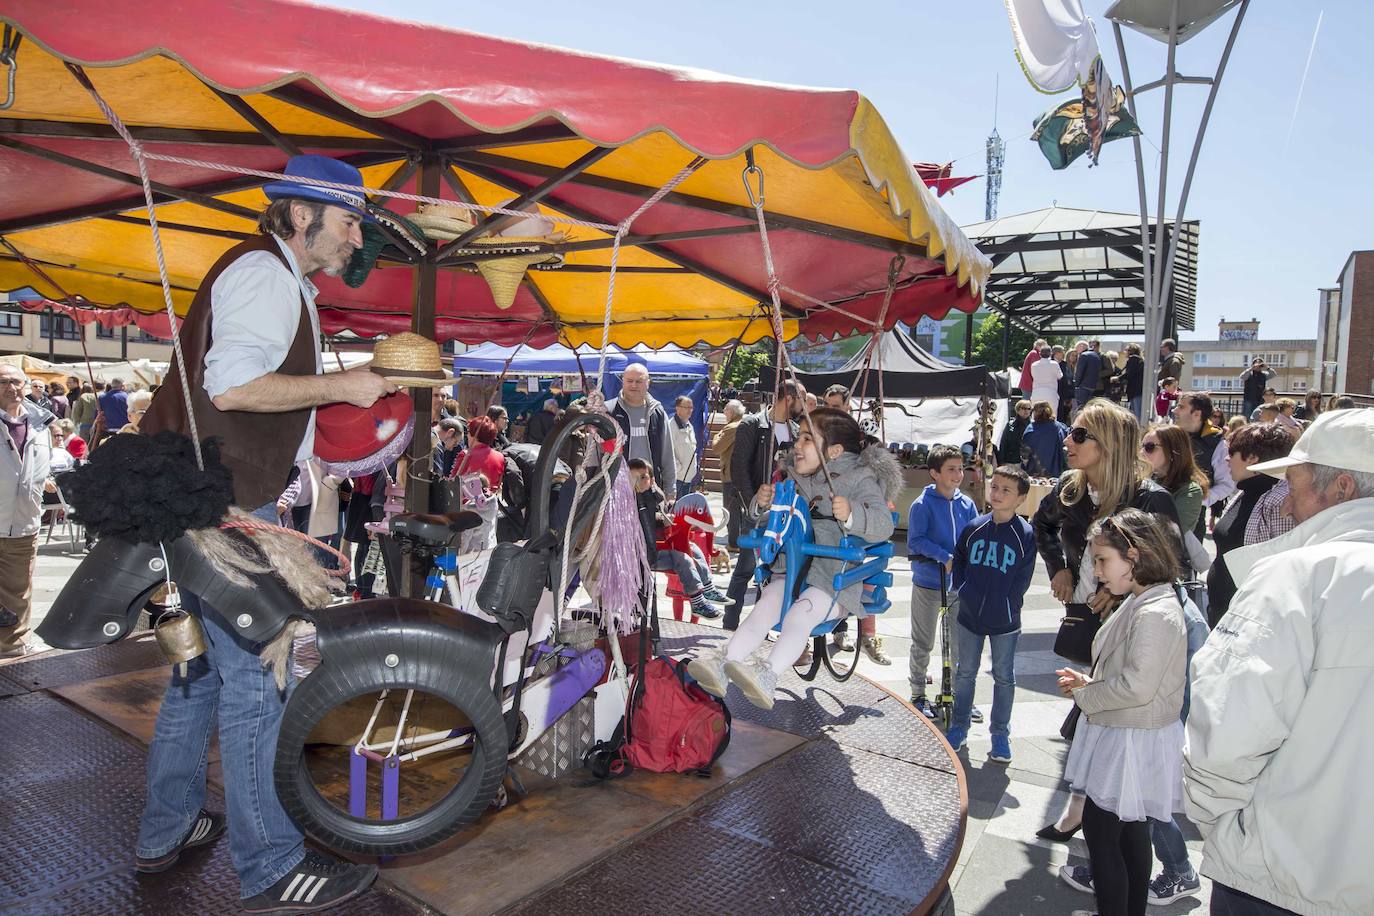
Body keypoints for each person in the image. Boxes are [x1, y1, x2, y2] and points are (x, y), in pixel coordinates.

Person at [135, 154, 392, 910]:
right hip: (226, 511)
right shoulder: (266, 274)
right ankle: (273, 867)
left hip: (201, 502)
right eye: (350, 222)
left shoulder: (275, 277)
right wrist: (347, 385)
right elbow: (234, 386)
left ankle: (164, 832)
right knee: (256, 688)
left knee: (196, 682)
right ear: (302, 214)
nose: (356, 240)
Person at [1184, 408, 1374, 916]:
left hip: (1282, 876)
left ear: (1342, 490)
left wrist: (1220, 824)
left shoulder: (1296, 577)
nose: (1286, 506)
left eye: (1294, 484)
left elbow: (1226, 731)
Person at [1032, 399, 1179, 843]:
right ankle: (1084, 811)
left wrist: (1117, 590)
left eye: (1079, 435)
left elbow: (1170, 563)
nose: (1067, 440)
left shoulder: (1149, 498)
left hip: (1136, 625)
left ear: (1109, 444)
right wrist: (1058, 566)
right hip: (1087, 615)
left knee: (1112, 717)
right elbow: (1042, 526)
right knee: (1093, 710)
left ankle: (1170, 860)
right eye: (1070, 432)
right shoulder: (1070, 489)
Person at [688, 408, 900, 709]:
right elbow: (777, 526)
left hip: (833, 578)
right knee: (763, 608)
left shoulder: (860, 479)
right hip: (792, 573)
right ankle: (724, 662)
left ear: (835, 451)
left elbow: (884, 524)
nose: (796, 445)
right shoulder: (792, 481)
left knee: (800, 616)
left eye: (806, 439)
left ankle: (768, 673)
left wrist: (853, 513)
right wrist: (762, 506)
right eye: (798, 437)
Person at [1058, 509, 1188, 916]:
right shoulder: (1146, 599)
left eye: (1102, 561)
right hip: (1131, 733)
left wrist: (1087, 694)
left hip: (1131, 737)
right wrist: (1089, 684)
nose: (1097, 572)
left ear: (1133, 556)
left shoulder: (1154, 610)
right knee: (1129, 837)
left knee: (1104, 837)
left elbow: (1137, 686)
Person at [944, 465, 1036, 762]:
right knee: (965, 673)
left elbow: (1023, 576)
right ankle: (959, 725)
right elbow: (959, 558)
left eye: (1005, 490)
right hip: (970, 614)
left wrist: (1011, 602)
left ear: (1020, 498)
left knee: (1004, 677)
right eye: (994, 486)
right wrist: (962, 587)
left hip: (1005, 620)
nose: (996, 493)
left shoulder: (1024, 534)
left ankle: (1000, 735)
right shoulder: (974, 527)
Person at [723, 381, 805, 629]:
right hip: (756, 509)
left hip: (783, 513)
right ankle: (730, 622)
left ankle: (761, 626)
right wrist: (753, 502)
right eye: (801, 398)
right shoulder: (753, 424)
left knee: (771, 570)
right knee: (745, 567)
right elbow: (739, 468)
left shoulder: (794, 430)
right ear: (789, 398)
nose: (803, 405)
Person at [906, 444, 979, 720]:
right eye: (951, 469)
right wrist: (943, 556)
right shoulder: (922, 505)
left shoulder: (967, 503)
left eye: (960, 468)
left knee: (959, 643)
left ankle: (959, 696)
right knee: (923, 641)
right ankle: (918, 693)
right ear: (934, 473)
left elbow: (974, 536)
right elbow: (916, 540)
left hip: (959, 585)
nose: (958, 474)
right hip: (928, 582)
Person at [1204, 422, 1294, 628]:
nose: (1227, 459)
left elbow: (1279, 570)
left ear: (1253, 458)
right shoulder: (1246, 491)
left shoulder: (1280, 500)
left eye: (1232, 453)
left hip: (1249, 619)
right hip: (1225, 614)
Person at [628, 458, 730, 619]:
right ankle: (697, 601)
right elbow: (645, 518)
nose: (637, 483)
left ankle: (708, 588)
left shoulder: (656, 497)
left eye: (642, 478)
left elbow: (664, 512)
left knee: (693, 548)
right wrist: (662, 518)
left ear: (652, 480)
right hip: (644, 555)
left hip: (660, 547)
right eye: (632, 478)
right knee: (683, 557)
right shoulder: (631, 501)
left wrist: (672, 514)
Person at [0, 362, 53, 659]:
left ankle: (14, 648)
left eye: (17, 382)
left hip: (23, 522)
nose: (12, 387)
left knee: (18, 593)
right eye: (4, 382)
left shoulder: (41, 423)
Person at [606, 363, 676, 500]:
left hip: (650, 490)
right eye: (629, 381)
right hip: (615, 491)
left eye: (639, 381)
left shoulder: (658, 413)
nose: (634, 385)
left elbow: (667, 455)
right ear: (623, 382)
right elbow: (595, 455)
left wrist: (670, 491)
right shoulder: (609, 411)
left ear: (647, 383)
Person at [1174, 393, 1236, 539]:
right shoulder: (1169, 436)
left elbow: (1226, 485)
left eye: (1181, 407)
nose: (1175, 411)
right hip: (1161, 509)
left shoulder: (1218, 445)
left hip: (1193, 519)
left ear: (1196, 414)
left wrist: (1199, 501)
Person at [1139, 424, 1207, 537]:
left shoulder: (1190, 491)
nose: (1141, 452)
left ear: (1172, 451)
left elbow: (1171, 534)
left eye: (1149, 447)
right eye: (1141, 446)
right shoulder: (1143, 481)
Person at [711, 399, 746, 548]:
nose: (724, 413)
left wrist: (716, 436)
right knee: (740, 510)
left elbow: (717, 447)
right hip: (741, 474)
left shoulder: (731, 427)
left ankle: (733, 543)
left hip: (731, 475)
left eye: (725, 410)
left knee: (731, 510)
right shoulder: (744, 423)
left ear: (731, 412)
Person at [458, 415, 507, 491]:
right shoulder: (500, 457)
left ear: (474, 435)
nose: (467, 435)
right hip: (491, 499)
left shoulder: (465, 455)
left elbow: (454, 483)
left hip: (469, 500)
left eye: (468, 432)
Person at [1021, 400, 1069, 478]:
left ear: (1035, 412)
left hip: (1035, 474)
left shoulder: (1031, 429)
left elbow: (1024, 454)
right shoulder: (1061, 427)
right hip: (1058, 474)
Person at [669, 394, 699, 497]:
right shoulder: (671, 427)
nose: (690, 410)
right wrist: (679, 469)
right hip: (678, 478)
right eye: (686, 407)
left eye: (691, 407)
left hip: (689, 478)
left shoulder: (689, 426)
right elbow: (668, 452)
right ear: (678, 408)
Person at [997, 400, 1031, 466]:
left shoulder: (1033, 425)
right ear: (1018, 410)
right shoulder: (1010, 425)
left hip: (1028, 462)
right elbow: (1003, 443)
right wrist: (1002, 461)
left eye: (1028, 409)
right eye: (1024, 408)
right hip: (1012, 460)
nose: (1026, 411)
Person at [1115, 343, 1146, 417]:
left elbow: (1129, 373)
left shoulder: (1133, 358)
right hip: (1138, 391)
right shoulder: (1139, 360)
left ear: (1130, 351)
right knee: (1136, 413)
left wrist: (1118, 378)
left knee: (1136, 414)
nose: (1124, 352)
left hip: (1135, 391)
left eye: (1126, 350)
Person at [1029, 345, 1062, 410]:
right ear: (1051, 353)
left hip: (1036, 392)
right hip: (1050, 392)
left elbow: (1033, 376)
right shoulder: (1054, 364)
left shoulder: (1034, 365)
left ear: (1040, 353)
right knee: (1052, 414)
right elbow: (1060, 376)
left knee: (1036, 415)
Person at [1074, 341, 1101, 415]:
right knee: (1089, 410)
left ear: (1082, 346)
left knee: (1081, 410)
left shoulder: (1083, 355)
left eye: (1077, 349)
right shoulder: (1096, 355)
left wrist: (1076, 385)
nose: (1076, 351)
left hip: (1083, 387)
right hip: (1093, 386)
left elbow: (1079, 372)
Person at [70, 381, 98, 445]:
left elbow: (77, 412)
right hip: (96, 423)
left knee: (84, 443)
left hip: (85, 423)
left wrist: (77, 422)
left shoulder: (83, 397)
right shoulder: (98, 396)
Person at [1056, 345, 1075, 424]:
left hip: (1071, 393)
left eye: (1076, 356)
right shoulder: (1063, 365)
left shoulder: (1074, 366)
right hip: (1064, 394)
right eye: (1072, 355)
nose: (1074, 357)